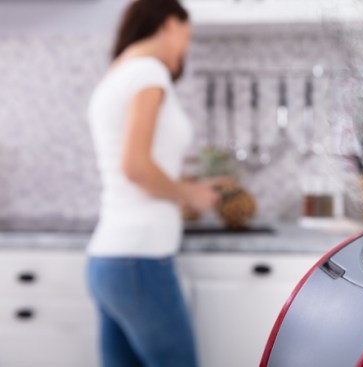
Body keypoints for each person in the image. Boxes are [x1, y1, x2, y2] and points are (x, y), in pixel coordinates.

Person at [86, 1, 220, 366]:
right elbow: (135, 167)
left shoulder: (118, 73)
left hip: (109, 259)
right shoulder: (148, 72)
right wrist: (190, 193)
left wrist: (185, 185)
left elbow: (136, 165)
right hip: (139, 259)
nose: (186, 48)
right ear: (168, 24)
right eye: (187, 35)